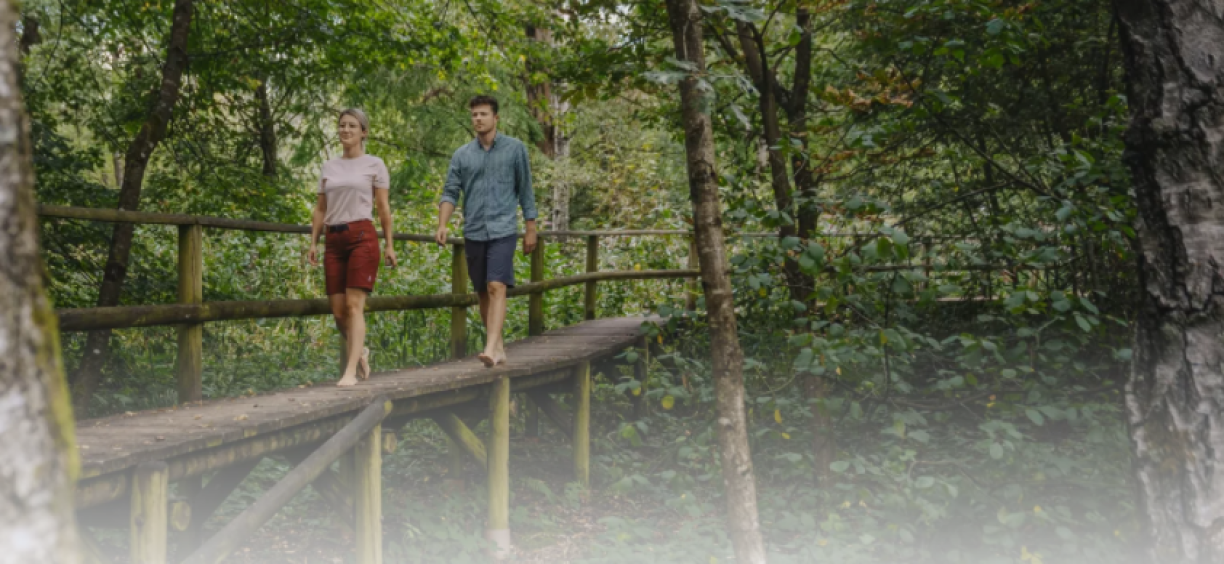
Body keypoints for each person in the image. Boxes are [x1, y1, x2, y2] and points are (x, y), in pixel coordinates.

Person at [436, 95, 538, 367]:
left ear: (496, 118)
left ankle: (490, 347)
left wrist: (531, 227)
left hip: (503, 229)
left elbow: (525, 189)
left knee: (496, 285)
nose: (478, 119)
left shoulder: (515, 149)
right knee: (482, 290)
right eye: (474, 115)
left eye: (483, 114)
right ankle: (498, 346)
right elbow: (450, 192)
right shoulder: (462, 155)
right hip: (474, 230)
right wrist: (442, 224)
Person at [308, 108, 398, 386]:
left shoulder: (375, 164)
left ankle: (349, 373)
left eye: (352, 126)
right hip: (333, 240)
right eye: (342, 125)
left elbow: (383, 208)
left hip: (362, 237)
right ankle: (361, 352)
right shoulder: (329, 167)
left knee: (354, 305)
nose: (345, 130)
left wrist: (389, 245)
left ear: (363, 132)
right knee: (338, 312)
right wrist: (313, 242)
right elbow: (320, 208)